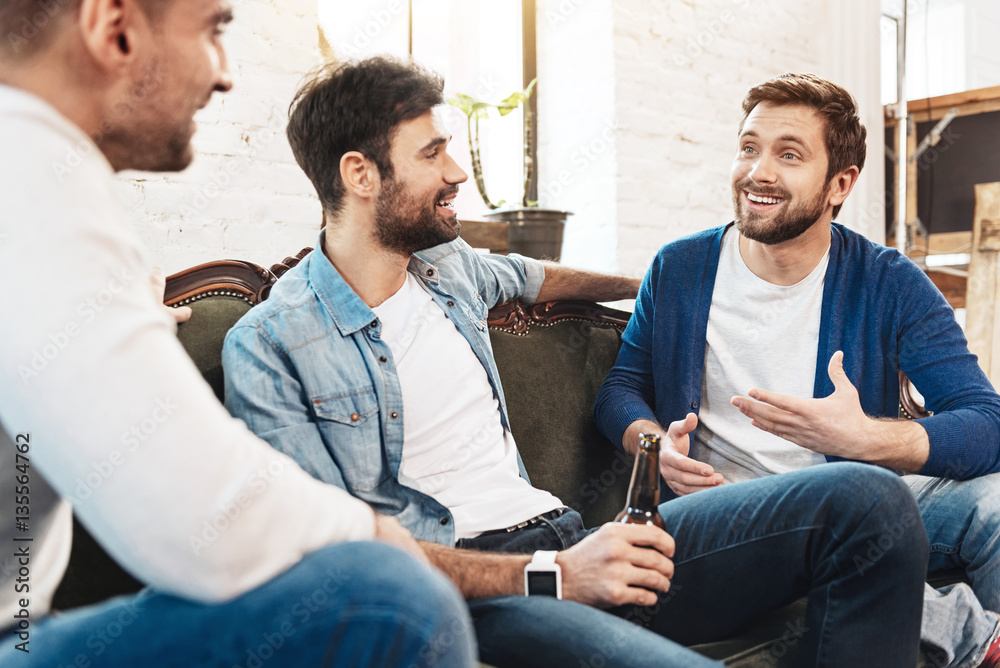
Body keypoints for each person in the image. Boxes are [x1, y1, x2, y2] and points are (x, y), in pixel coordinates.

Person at [223, 56, 930, 667]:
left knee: (869, 503)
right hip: (481, 592)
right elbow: (334, 558)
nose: (458, 172)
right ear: (360, 174)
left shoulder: (447, 270)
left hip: (582, 538)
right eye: (433, 153)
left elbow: (538, 278)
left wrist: (651, 285)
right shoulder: (271, 346)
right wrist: (552, 575)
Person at [0, 1, 477, 666]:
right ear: (115, 29)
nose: (224, 74)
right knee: (387, 599)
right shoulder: (28, 171)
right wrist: (371, 531)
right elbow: (203, 523)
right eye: (213, 30)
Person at [593, 72, 1000, 668]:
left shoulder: (887, 281)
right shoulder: (679, 268)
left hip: (861, 497)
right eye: (749, 147)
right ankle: (976, 640)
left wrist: (865, 438)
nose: (758, 171)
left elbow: (986, 422)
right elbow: (622, 389)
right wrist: (654, 446)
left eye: (788, 155)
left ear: (840, 184)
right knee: (852, 524)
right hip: (719, 513)